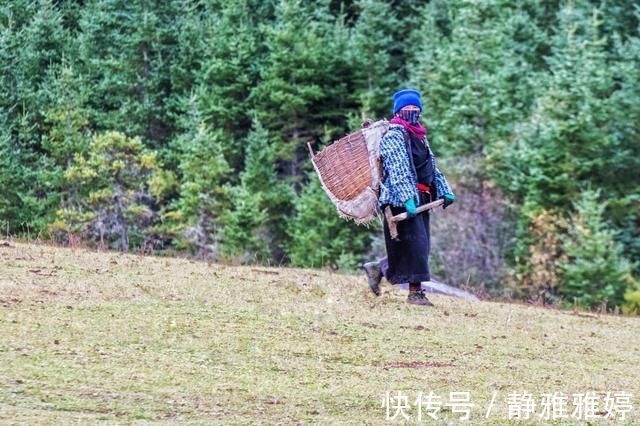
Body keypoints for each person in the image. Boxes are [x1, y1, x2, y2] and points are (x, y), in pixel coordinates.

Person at [362, 89, 455, 306]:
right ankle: (415, 294)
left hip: (421, 198)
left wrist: (445, 190)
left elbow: (432, 167)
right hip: (399, 201)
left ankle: (378, 269)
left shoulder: (420, 137)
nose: (412, 112)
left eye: (416, 109)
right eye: (407, 109)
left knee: (419, 247)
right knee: (416, 247)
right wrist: (407, 199)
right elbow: (398, 170)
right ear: (399, 112)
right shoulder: (394, 136)